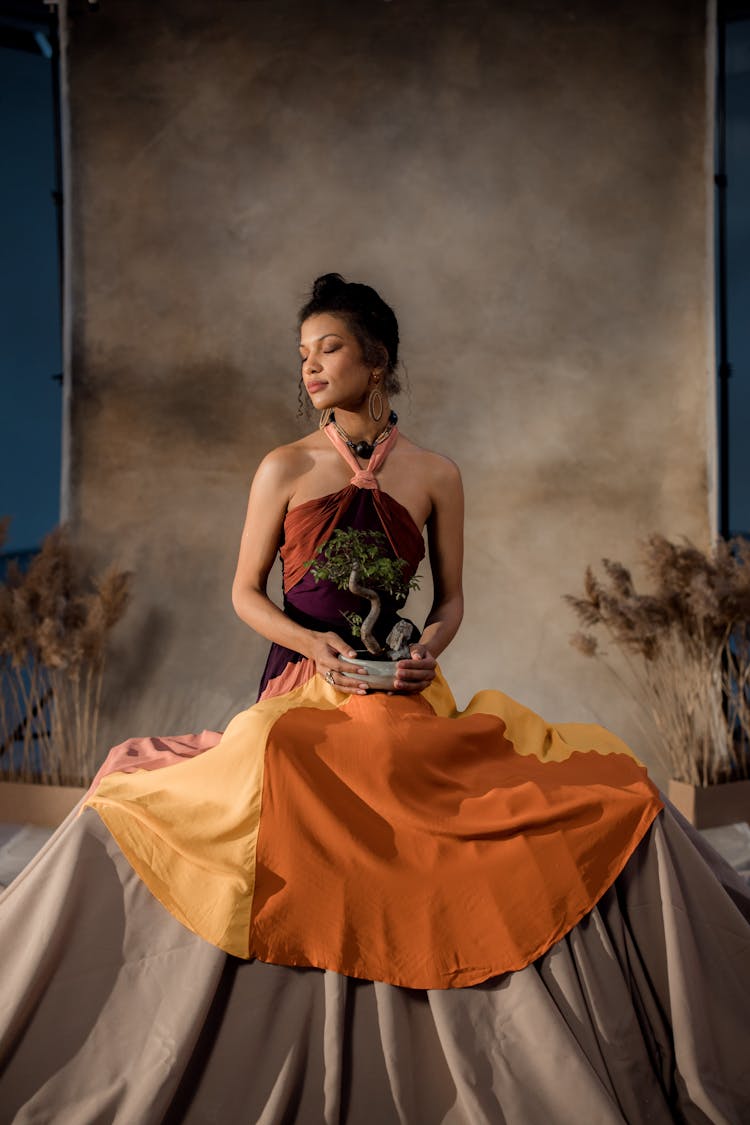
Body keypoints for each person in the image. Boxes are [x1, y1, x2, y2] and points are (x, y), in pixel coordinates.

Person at [0, 273, 748, 1125]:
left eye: (329, 348)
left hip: (402, 685)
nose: (311, 368)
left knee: (528, 782)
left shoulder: (436, 474)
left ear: (377, 359)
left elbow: (452, 599)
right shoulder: (285, 465)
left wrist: (428, 648)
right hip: (307, 683)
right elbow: (245, 591)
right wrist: (312, 642)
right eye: (303, 355)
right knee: (287, 756)